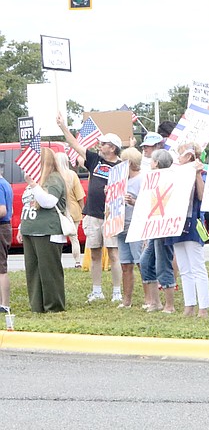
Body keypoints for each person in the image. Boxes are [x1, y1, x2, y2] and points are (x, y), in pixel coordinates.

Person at [57, 114, 126, 304]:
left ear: (112, 148)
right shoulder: (95, 159)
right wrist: (63, 127)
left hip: (112, 215)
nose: (99, 146)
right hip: (93, 213)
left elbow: (125, 191)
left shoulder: (122, 166)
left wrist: (113, 192)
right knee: (94, 252)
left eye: (103, 144)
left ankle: (117, 291)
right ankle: (97, 291)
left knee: (113, 254)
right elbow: (74, 144)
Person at [19, 148, 68, 312]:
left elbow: (48, 202)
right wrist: (21, 227)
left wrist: (33, 185)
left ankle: (53, 305)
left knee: (49, 270)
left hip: (47, 230)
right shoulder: (36, 178)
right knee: (33, 270)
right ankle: (37, 305)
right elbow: (27, 205)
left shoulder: (54, 178)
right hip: (30, 229)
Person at [169, 143, 209, 318]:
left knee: (197, 265)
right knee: (184, 267)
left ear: (188, 156)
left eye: (180, 154)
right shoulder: (174, 173)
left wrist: (198, 174)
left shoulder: (200, 172)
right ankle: (189, 305)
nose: (178, 158)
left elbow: (202, 196)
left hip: (192, 221)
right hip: (176, 222)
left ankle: (203, 307)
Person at [139, 150, 177, 312]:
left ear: (156, 163)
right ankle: (155, 302)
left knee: (163, 264)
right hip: (154, 227)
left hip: (164, 227)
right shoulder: (152, 180)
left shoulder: (171, 179)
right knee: (145, 262)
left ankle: (170, 305)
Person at [115, 147, 144, 308]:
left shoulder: (141, 179)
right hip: (121, 225)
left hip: (135, 225)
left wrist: (133, 201)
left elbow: (149, 202)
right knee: (125, 264)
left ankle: (150, 298)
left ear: (130, 163)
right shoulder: (121, 181)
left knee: (141, 262)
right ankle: (127, 300)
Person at [54, 152, 85, 269]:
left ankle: (57, 262)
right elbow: (79, 195)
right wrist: (83, 210)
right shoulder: (72, 175)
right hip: (74, 210)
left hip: (59, 210)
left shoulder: (54, 176)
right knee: (74, 238)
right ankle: (77, 262)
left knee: (57, 238)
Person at [0, 170, 12, 321]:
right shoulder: (6, 184)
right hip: (6, 227)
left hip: (1, 226)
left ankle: (4, 304)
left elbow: (2, 210)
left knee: (1, 268)